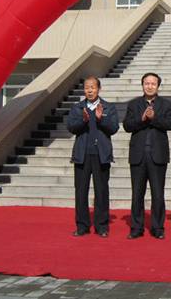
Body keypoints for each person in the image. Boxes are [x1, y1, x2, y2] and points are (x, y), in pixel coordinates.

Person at [123, 72, 171, 239]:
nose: (150, 86)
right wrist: (142, 118)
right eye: (147, 83)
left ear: (158, 86)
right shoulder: (134, 104)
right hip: (138, 155)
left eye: (153, 83)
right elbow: (127, 126)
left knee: (158, 194)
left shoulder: (166, 104)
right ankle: (136, 228)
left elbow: (170, 124)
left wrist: (153, 118)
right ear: (142, 85)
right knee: (137, 194)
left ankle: (158, 228)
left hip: (158, 155)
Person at [67, 76, 119, 238]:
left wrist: (100, 119)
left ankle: (101, 226)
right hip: (82, 155)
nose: (90, 90)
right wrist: (83, 121)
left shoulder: (108, 107)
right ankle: (82, 225)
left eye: (93, 87)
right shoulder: (77, 108)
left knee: (101, 191)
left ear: (99, 89)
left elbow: (114, 128)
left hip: (101, 155)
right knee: (81, 192)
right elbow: (71, 127)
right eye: (87, 87)